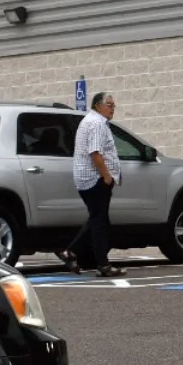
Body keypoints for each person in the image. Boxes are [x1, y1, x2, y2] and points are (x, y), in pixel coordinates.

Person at [66, 92, 125, 278]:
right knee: (100, 222)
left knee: (97, 219)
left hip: (87, 178)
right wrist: (106, 176)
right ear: (98, 106)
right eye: (109, 104)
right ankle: (103, 265)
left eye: (114, 104)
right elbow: (95, 153)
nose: (112, 108)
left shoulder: (91, 121)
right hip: (94, 179)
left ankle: (72, 252)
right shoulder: (97, 123)